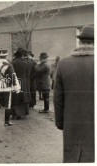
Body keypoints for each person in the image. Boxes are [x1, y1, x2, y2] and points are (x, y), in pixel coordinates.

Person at [54, 24, 94, 163]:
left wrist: (60, 122)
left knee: (73, 157)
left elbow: (58, 97)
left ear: (80, 42)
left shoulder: (63, 64)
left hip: (72, 122)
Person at [0, 49, 21, 126]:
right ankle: (7, 121)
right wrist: (16, 86)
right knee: (8, 103)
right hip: (6, 86)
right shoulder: (8, 64)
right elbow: (13, 76)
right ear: (6, 55)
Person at [11, 48, 31, 119]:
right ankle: (24, 113)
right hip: (24, 82)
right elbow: (27, 74)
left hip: (16, 82)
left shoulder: (12, 63)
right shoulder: (25, 63)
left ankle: (16, 114)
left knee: (16, 98)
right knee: (23, 97)